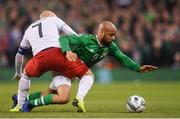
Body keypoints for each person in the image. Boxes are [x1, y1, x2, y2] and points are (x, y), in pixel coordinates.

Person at [18, 20, 157, 112]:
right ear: (101, 33)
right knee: (70, 92)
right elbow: (63, 38)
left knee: (50, 94)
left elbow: (122, 57)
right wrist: (68, 51)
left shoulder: (110, 46)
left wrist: (138, 68)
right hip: (64, 68)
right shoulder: (85, 39)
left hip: (74, 72)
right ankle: (77, 100)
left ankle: (21, 99)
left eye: (114, 35)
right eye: (111, 35)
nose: (113, 38)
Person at [10, 10, 93, 112]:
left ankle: (20, 104)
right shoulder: (53, 19)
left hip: (39, 59)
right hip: (57, 55)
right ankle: (79, 98)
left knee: (26, 74)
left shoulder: (28, 29)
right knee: (87, 74)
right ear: (50, 15)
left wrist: (18, 72)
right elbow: (73, 35)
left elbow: (19, 54)